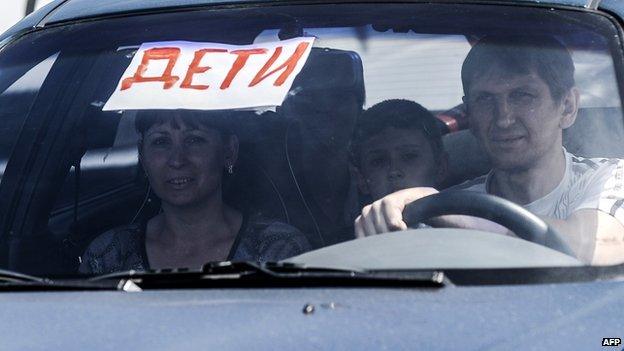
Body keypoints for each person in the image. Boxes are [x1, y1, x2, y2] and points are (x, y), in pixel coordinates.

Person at [355, 35, 624, 265]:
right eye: (485, 99)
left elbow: (596, 246)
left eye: (523, 96)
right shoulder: (442, 209)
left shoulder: (608, 179)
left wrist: (441, 208)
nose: (503, 118)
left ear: (567, 107)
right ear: (469, 112)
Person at [79, 110, 311, 274]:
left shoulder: (278, 249)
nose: (177, 160)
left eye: (194, 140)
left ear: (229, 151)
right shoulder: (109, 256)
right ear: (143, 156)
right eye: (161, 142)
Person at [349, 99, 447, 202]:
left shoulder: (463, 212)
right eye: (379, 161)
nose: (394, 171)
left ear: (440, 167)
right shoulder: (360, 218)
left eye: (409, 156)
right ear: (361, 180)